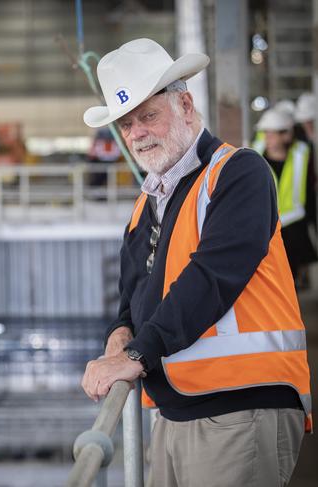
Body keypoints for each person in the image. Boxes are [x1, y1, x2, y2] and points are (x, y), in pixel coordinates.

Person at [79, 38, 312, 487]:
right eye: (126, 125)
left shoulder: (239, 173)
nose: (137, 133)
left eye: (148, 115)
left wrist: (135, 355)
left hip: (240, 408)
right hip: (175, 409)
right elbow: (132, 295)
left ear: (185, 104)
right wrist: (118, 335)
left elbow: (212, 278)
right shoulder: (147, 202)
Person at [253, 108, 317, 283]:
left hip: (294, 223)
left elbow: (310, 190)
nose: (267, 138)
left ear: (285, 135)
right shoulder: (255, 152)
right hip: (267, 224)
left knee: (291, 275)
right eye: (265, 133)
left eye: (272, 134)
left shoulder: (302, 153)